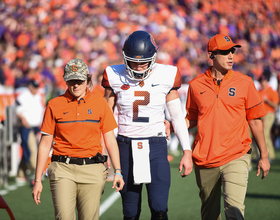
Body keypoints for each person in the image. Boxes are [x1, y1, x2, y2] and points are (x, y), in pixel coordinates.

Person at [102, 30, 192, 220]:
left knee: (159, 208)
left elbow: (176, 116)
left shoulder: (166, 74)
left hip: (156, 145)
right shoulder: (114, 74)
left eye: (143, 61)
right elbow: (105, 118)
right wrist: (103, 152)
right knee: (130, 211)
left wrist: (187, 151)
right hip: (125, 146)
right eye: (134, 61)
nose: (139, 66)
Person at [185, 34, 270, 220]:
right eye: (225, 52)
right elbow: (190, 119)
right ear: (212, 55)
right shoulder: (195, 85)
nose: (231, 55)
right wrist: (173, 126)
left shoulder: (245, 82)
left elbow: (255, 121)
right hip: (205, 158)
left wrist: (263, 156)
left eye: (232, 51)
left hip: (236, 155)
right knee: (210, 215)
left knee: (234, 209)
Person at [32, 59, 124, 220]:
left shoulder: (100, 103)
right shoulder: (54, 104)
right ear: (65, 80)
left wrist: (117, 171)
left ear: (88, 80)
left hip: (93, 169)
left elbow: (110, 140)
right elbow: (45, 144)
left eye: (80, 81)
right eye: (71, 81)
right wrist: (37, 179)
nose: (75, 85)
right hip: (62, 169)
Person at [16, 79, 45, 180]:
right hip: (26, 126)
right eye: (34, 87)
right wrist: (23, 119)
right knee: (31, 149)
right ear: (30, 87)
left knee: (30, 149)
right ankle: (37, 171)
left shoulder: (38, 96)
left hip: (35, 126)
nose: (36, 89)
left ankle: (20, 172)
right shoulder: (24, 95)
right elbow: (17, 110)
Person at [258, 69, 279, 162]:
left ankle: (271, 155)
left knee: (265, 133)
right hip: (260, 114)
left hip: (269, 113)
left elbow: (275, 105)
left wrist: (267, 100)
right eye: (261, 81)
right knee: (260, 134)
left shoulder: (272, 91)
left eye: (264, 81)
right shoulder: (259, 91)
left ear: (267, 81)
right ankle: (261, 155)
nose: (263, 83)